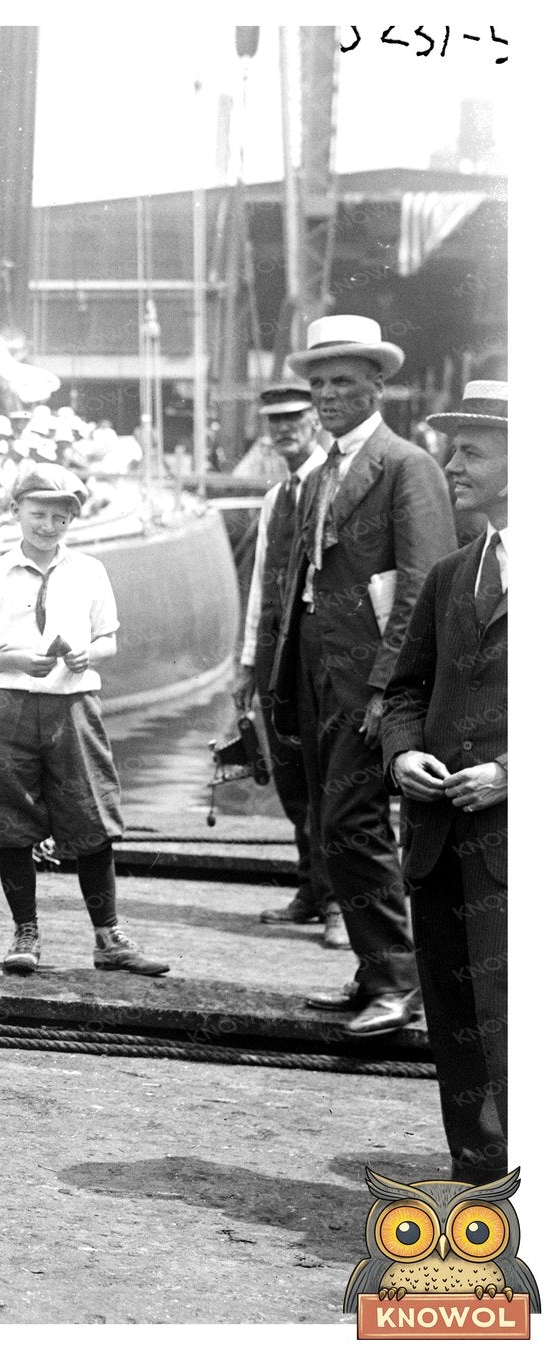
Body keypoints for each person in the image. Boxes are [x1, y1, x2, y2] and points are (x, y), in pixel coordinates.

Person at [269, 315, 455, 1038]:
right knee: (329, 822)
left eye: (343, 382)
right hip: (316, 671)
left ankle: (399, 982)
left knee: (354, 822)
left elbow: (424, 584)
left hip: (369, 680)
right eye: (318, 383)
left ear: (377, 386)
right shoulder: (322, 473)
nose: (326, 395)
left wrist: (389, 688)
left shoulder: (406, 466)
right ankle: (374, 967)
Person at [0, 463, 170, 980]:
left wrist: (88, 654)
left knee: (91, 817)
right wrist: (16, 661)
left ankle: (108, 937)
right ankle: (25, 932)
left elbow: (108, 639)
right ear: (16, 511)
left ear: (72, 519)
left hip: (72, 707)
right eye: (38, 514)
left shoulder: (89, 571)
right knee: (9, 822)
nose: (48, 526)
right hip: (7, 707)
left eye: (60, 518)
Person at [381, 380, 509, 1182]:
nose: (452, 466)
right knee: (458, 1026)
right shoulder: (450, 574)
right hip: (439, 846)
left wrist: (514, 773)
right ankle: (480, 1187)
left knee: (517, 1023)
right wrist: (402, 756)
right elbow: (405, 691)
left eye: (471, 452)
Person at [234, 382, 341, 947]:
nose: (284, 431)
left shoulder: (335, 481)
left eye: (294, 419)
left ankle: (339, 901)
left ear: (315, 421)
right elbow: (260, 584)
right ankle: (310, 888)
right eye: (274, 422)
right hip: (278, 657)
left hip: (323, 655)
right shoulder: (277, 496)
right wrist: (248, 662)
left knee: (331, 782)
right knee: (294, 779)